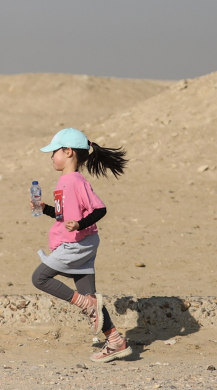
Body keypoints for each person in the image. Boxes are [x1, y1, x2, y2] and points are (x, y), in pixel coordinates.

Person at [30, 127, 132, 363]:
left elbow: (100, 209)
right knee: (90, 295)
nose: (51, 157)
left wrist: (79, 225)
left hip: (77, 243)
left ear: (68, 152)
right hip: (79, 241)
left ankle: (86, 304)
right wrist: (43, 208)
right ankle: (116, 340)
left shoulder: (76, 181)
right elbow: (62, 216)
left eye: (54, 152)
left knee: (40, 278)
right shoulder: (63, 181)